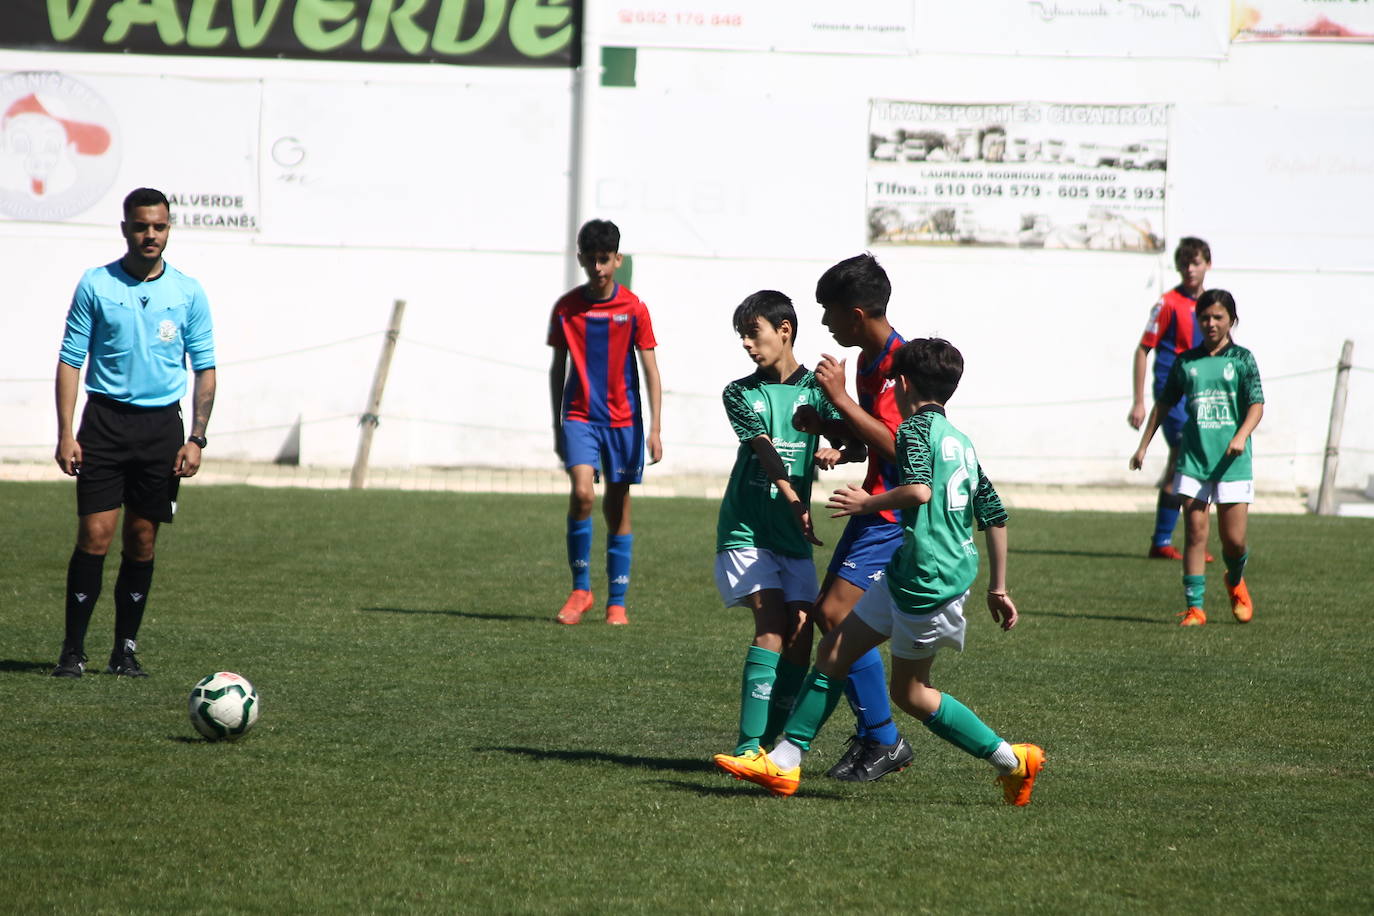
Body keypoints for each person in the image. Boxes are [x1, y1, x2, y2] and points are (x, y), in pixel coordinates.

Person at [715, 338, 1045, 804]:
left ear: (904, 383)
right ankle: (784, 762)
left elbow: (918, 492)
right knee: (834, 650)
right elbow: (993, 510)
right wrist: (999, 586)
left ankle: (1013, 760)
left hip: (925, 582)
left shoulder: (913, 431)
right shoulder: (962, 443)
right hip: (916, 572)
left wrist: (867, 503)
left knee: (911, 693)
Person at [51, 187, 216, 678]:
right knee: (95, 535)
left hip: (162, 429)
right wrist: (65, 432)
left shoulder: (188, 291)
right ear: (125, 228)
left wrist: (197, 438)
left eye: (159, 226)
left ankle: (124, 651)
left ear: (169, 229)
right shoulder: (96, 284)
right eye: (141, 226)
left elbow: (205, 368)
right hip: (104, 424)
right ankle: (72, 651)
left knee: (142, 541)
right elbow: (70, 360)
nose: (150, 234)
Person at [711, 291, 858, 762]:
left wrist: (839, 450)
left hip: (792, 536)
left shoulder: (816, 390)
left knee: (800, 635)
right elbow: (764, 450)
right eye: (743, 338)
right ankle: (748, 744)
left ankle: (771, 745)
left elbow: (853, 439)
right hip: (746, 528)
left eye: (754, 334)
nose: (748, 346)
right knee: (772, 624)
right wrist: (796, 498)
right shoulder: (739, 392)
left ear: (785, 330)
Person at [788, 253, 914, 782]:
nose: (824, 322)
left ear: (856, 313)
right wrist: (833, 432)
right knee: (831, 617)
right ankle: (876, 737)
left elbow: (905, 450)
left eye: (829, 311)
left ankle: (883, 739)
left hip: (891, 512)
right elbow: (874, 442)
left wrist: (838, 398)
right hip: (872, 505)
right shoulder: (868, 360)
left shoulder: (901, 365)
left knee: (839, 619)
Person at [548, 219, 662, 626]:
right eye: (590, 260)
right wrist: (556, 424)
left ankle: (617, 600)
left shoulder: (633, 308)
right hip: (579, 417)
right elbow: (556, 370)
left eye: (604, 260)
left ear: (617, 259)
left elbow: (650, 370)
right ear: (580, 260)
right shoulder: (566, 309)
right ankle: (581, 590)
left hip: (624, 422)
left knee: (618, 506)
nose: (597, 268)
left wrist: (656, 428)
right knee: (582, 494)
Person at [1130, 290, 1264, 627]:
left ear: (1232, 320)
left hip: (1232, 462)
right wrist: (1143, 446)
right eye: (1205, 317)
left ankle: (1234, 580)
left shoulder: (1243, 359)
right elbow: (1163, 404)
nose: (1211, 323)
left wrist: (1241, 435)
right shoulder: (1186, 362)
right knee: (1194, 532)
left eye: (1218, 317)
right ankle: (1195, 608)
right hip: (1193, 459)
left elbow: (1257, 404)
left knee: (1233, 540)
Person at [1128, 237, 1214, 561]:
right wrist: (1139, 401)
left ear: (1208, 264)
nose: (1190, 269)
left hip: (1202, 396)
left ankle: (1182, 540)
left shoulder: (1212, 306)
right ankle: (1165, 540)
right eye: (1185, 264)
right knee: (1183, 456)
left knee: (1191, 463)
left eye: (1197, 263)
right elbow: (1142, 349)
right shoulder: (1168, 303)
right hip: (1173, 393)